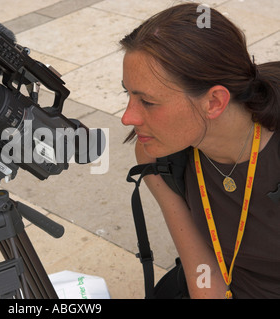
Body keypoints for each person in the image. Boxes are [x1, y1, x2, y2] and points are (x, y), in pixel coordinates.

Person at [120, 3, 280, 298]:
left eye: (148, 102)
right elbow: (203, 273)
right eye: (127, 94)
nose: (127, 118)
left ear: (214, 102)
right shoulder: (156, 156)